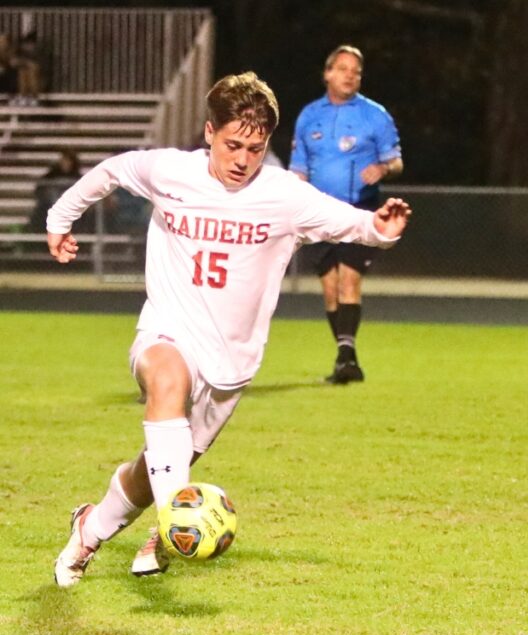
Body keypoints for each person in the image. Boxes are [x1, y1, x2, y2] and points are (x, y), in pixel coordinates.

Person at [48, 72, 411, 587]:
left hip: (232, 363)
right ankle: (176, 522)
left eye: (255, 149)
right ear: (209, 133)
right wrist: (60, 218)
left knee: (155, 467)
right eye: (233, 145)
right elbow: (110, 171)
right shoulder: (171, 171)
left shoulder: (284, 196)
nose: (242, 159)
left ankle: (92, 527)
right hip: (169, 329)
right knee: (167, 381)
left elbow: (351, 223)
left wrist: (382, 228)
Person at [290, 44, 403, 385]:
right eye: (343, 69)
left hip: (360, 212)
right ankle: (345, 355)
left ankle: (346, 356)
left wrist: (383, 169)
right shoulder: (309, 116)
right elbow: (298, 171)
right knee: (329, 288)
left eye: (356, 70)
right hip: (318, 214)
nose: (350, 75)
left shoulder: (375, 115)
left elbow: (397, 161)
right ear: (327, 74)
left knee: (348, 280)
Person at [29, 150, 86, 231]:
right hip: (51, 206)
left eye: (68, 161)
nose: (65, 163)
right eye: (64, 161)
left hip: (72, 208)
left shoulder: (78, 177)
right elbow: (40, 189)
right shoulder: (51, 175)